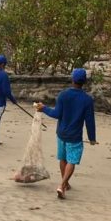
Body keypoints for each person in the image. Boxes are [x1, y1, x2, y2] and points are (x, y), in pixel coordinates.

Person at [35, 68, 97, 200]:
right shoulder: (87, 100)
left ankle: (65, 183)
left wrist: (44, 108)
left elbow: (57, 114)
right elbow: (89, 121)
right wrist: (92, 138)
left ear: (72, 79)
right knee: (72, 160)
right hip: (75, 136)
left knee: (63, 158)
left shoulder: (63, 95)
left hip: (61, 133)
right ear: (84, 82)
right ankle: (62, 185)